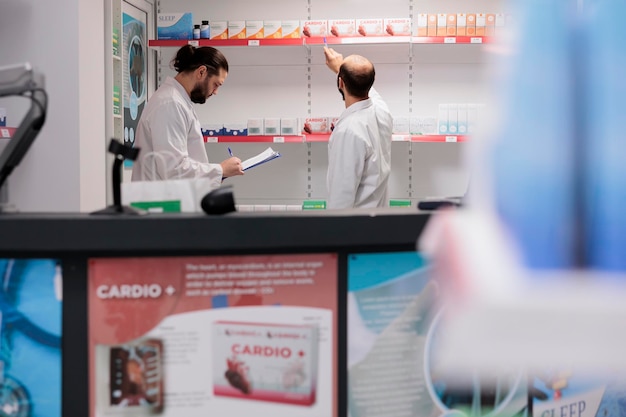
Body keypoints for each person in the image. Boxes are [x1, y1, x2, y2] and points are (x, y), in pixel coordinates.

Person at [131, 45, 244, 184]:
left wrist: (216, 174)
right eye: (216, 84)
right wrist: (220, 170)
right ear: (201, 72)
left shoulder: (178, 101)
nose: (215, 92)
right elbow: (173, 170)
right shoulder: (170, 104)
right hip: (161, 202)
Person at [323, 46, 393, 209]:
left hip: (355, 226)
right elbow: (369, 90)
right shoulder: (382, 112)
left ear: (341, 82)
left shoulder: (348, 131)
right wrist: (340, 69)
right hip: (376, 219)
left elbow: (341, 199)